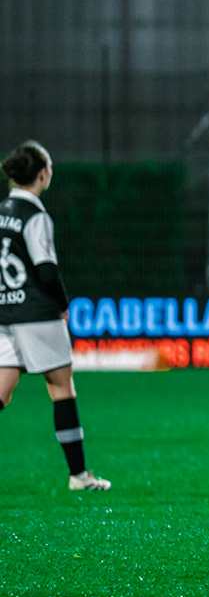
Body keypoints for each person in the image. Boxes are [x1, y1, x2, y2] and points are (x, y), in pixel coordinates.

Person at [0, 141, 111, 490]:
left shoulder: (1, 211)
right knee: (61, 389)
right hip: (37, 314)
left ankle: (80, 475)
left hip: (4, 312)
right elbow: (46, 270)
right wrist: (63, 304)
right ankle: (79, 475)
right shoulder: (35, 216)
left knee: (1, 394)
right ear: (42, 173)